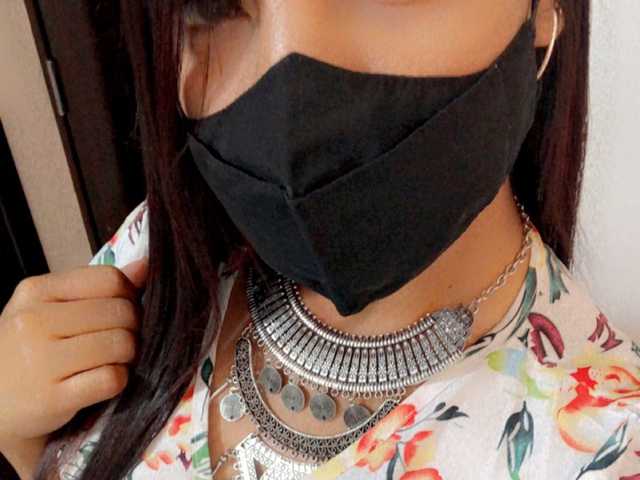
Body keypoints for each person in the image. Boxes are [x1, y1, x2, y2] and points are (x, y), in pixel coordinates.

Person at [1, 0, 638, 478]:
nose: (289, 102)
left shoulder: (599, 447)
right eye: (213, 4)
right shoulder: (159, 251)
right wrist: (21, 440)